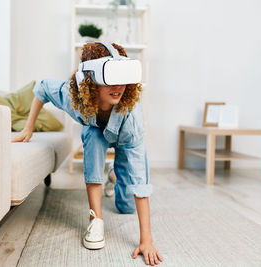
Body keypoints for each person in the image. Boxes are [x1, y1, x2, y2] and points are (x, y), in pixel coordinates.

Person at [12, 42, 163, 266]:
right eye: (110, 76)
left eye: (123, 76)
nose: (119, 86)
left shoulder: (132, 117)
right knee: (93, 136)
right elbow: (42, 88)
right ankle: (96, 219)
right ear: (89, 80)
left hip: (124, 139)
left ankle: (113, 175)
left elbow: (140, 176)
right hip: (95, 131)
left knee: (126, 206)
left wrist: (147, 240)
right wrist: (28, 128)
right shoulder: (73, 98)